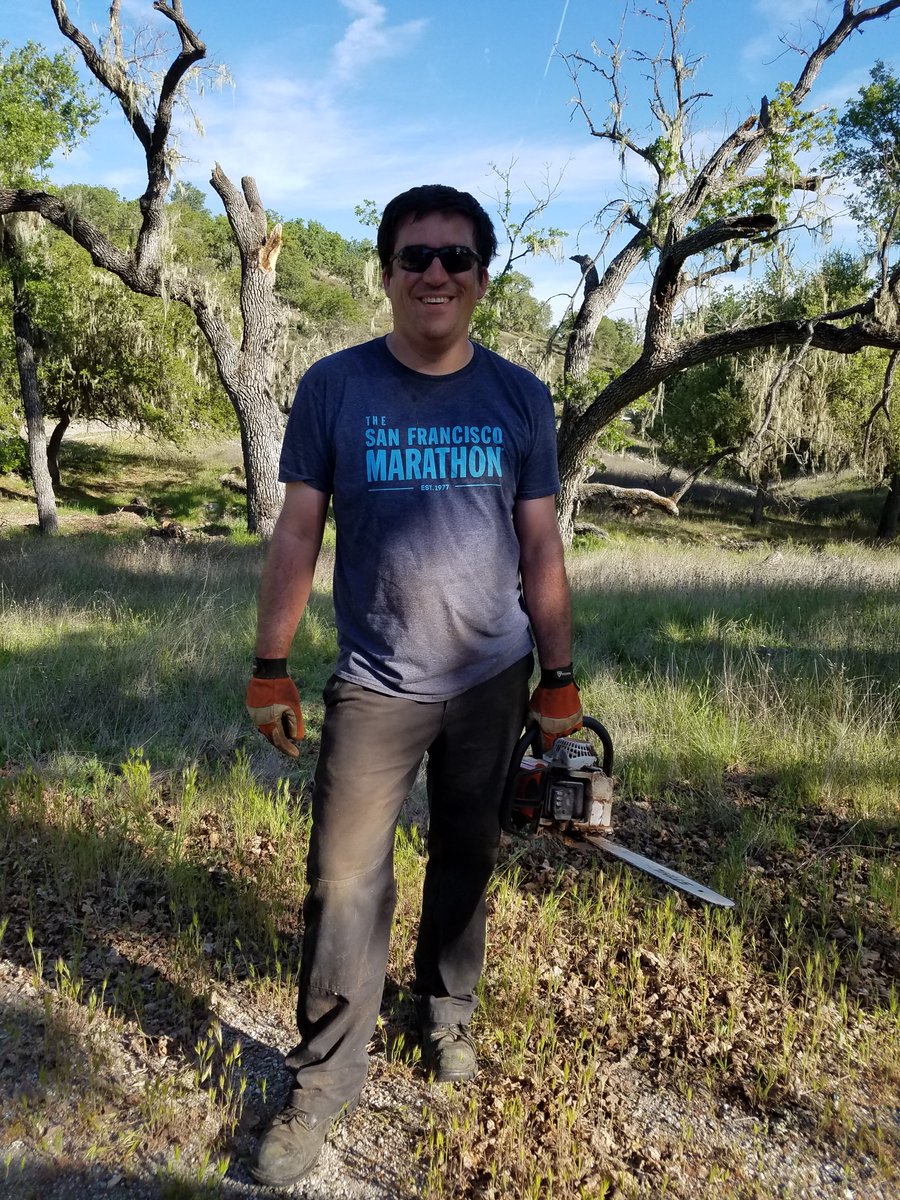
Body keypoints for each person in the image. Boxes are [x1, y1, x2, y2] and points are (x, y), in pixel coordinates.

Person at [244, 183, 582, 1188]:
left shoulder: (521, 397)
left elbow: (540, 547)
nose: (435, 273)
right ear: (386, 272)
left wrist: (558, 680)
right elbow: (298, 530)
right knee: (346, 881)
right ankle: (323, 1081)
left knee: (467, 857)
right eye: (415, 256)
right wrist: (271, 664)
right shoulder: (335, 388)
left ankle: (447, 1015)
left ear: (482, 278)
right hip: (376, 682)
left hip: (491, 679)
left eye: (456, 257)